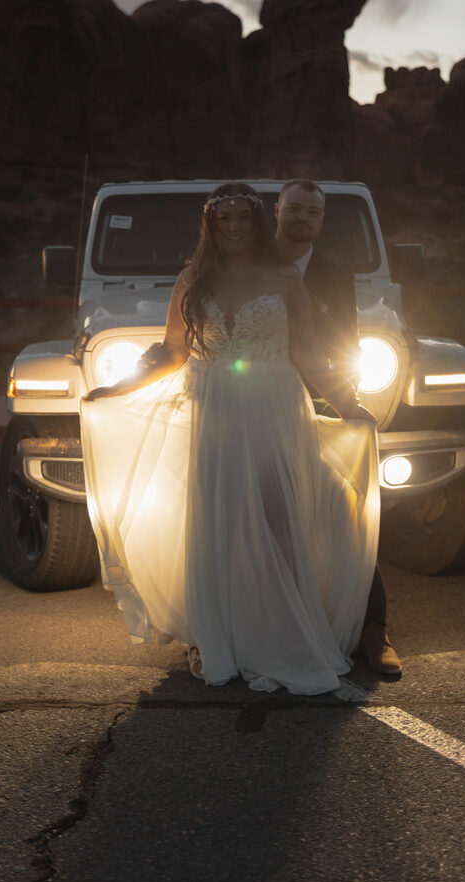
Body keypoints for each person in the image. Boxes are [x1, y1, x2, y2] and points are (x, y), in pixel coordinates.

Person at [80, 182, 380, 695]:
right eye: (225, 220)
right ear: (211, 226)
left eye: (244, 217)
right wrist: (116, 388)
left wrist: (351, 405)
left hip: (274, 407)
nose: (235, 227)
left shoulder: (285, 279)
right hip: (215, 409)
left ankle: (283, 633)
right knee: (219, 520)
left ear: (258, 222)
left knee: (277, 515)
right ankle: (225, 636)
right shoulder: (192, 280)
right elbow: (173, 353)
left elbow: (307, 352)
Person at [274, 179, 402, 676]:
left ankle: (371, 630)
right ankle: (262, 626)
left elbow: (343, 346)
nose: (303, 219)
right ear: (276, 210)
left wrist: (347, 402)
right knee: (260, 522)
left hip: (318, 408)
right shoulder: (246, 265)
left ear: (322, 221)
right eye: (294, 209)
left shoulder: (334, 275)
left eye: (313, 212)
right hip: (250, 410)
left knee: (343, 514)